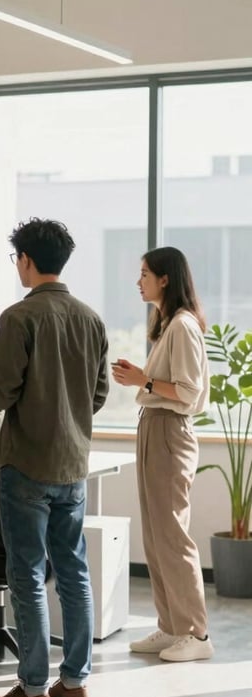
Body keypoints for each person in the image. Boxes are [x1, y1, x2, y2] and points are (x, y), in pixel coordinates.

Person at [0, 218, 109, 697]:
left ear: (26, 260)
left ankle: (33, 690)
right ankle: (74, 686)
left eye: (17, 260)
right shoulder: (91, 319)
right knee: (73, 571)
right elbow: (98, 394)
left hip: (27, 462)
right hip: (72, 464)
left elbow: (2, 391)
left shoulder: (18, 317)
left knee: (27, 573)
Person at [112, 247, 212, 662]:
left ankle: (197, 634)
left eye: (145, 274)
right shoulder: (168, 324)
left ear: (165, 278)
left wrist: (144, 380)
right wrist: (145, 380)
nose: (139, 281)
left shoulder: (183, 326)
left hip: (169, 431)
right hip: (154, 428)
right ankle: (172, 627)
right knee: (156, 535)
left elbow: (190, 394)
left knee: (172, 534)